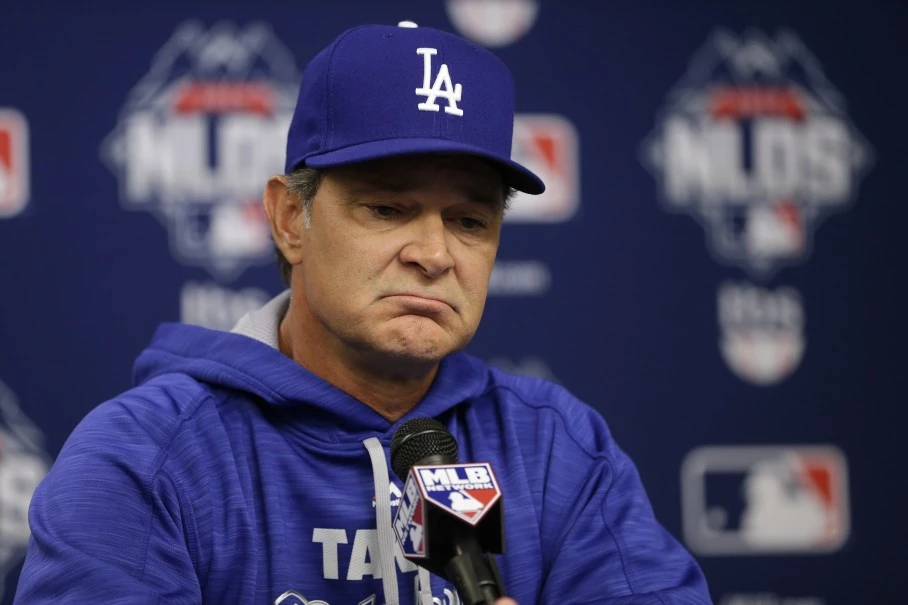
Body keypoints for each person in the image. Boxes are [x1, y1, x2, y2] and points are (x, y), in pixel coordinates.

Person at [15, 22, 711, 605]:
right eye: (387, 208)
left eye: (469, 219)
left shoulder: (559, 450)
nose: (435, 253)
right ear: (292, 218)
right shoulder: (145, 459)